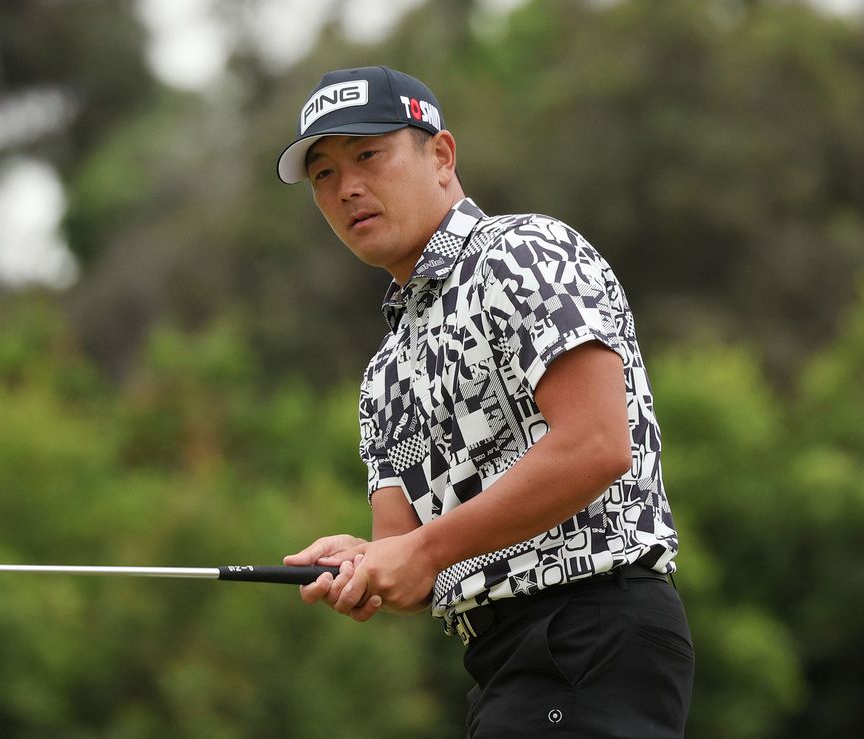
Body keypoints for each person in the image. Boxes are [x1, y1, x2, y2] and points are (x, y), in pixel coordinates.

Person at [276, 66, 694, 738]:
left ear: (440, 156)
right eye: (323, 173)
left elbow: (596, 444)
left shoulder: (523, 253)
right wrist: (363, 563)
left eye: (368, 156)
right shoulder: (384, 372)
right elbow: (407, 559)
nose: (347, 186)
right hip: (501, 663)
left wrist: (426, 551)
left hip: (591, 631)